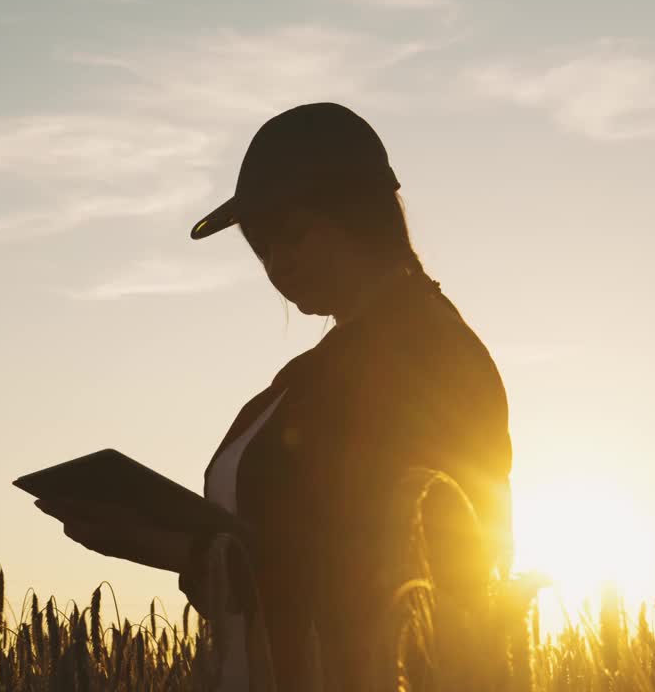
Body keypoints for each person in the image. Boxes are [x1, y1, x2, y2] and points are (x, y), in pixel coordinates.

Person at [34, 102, 514, 690]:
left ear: (359, 212)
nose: (276, 265)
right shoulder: (316, 370)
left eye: (289, 235)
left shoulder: (428, 356)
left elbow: (389, 572)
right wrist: (197, 551)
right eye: (259, 248)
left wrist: (181, 547)